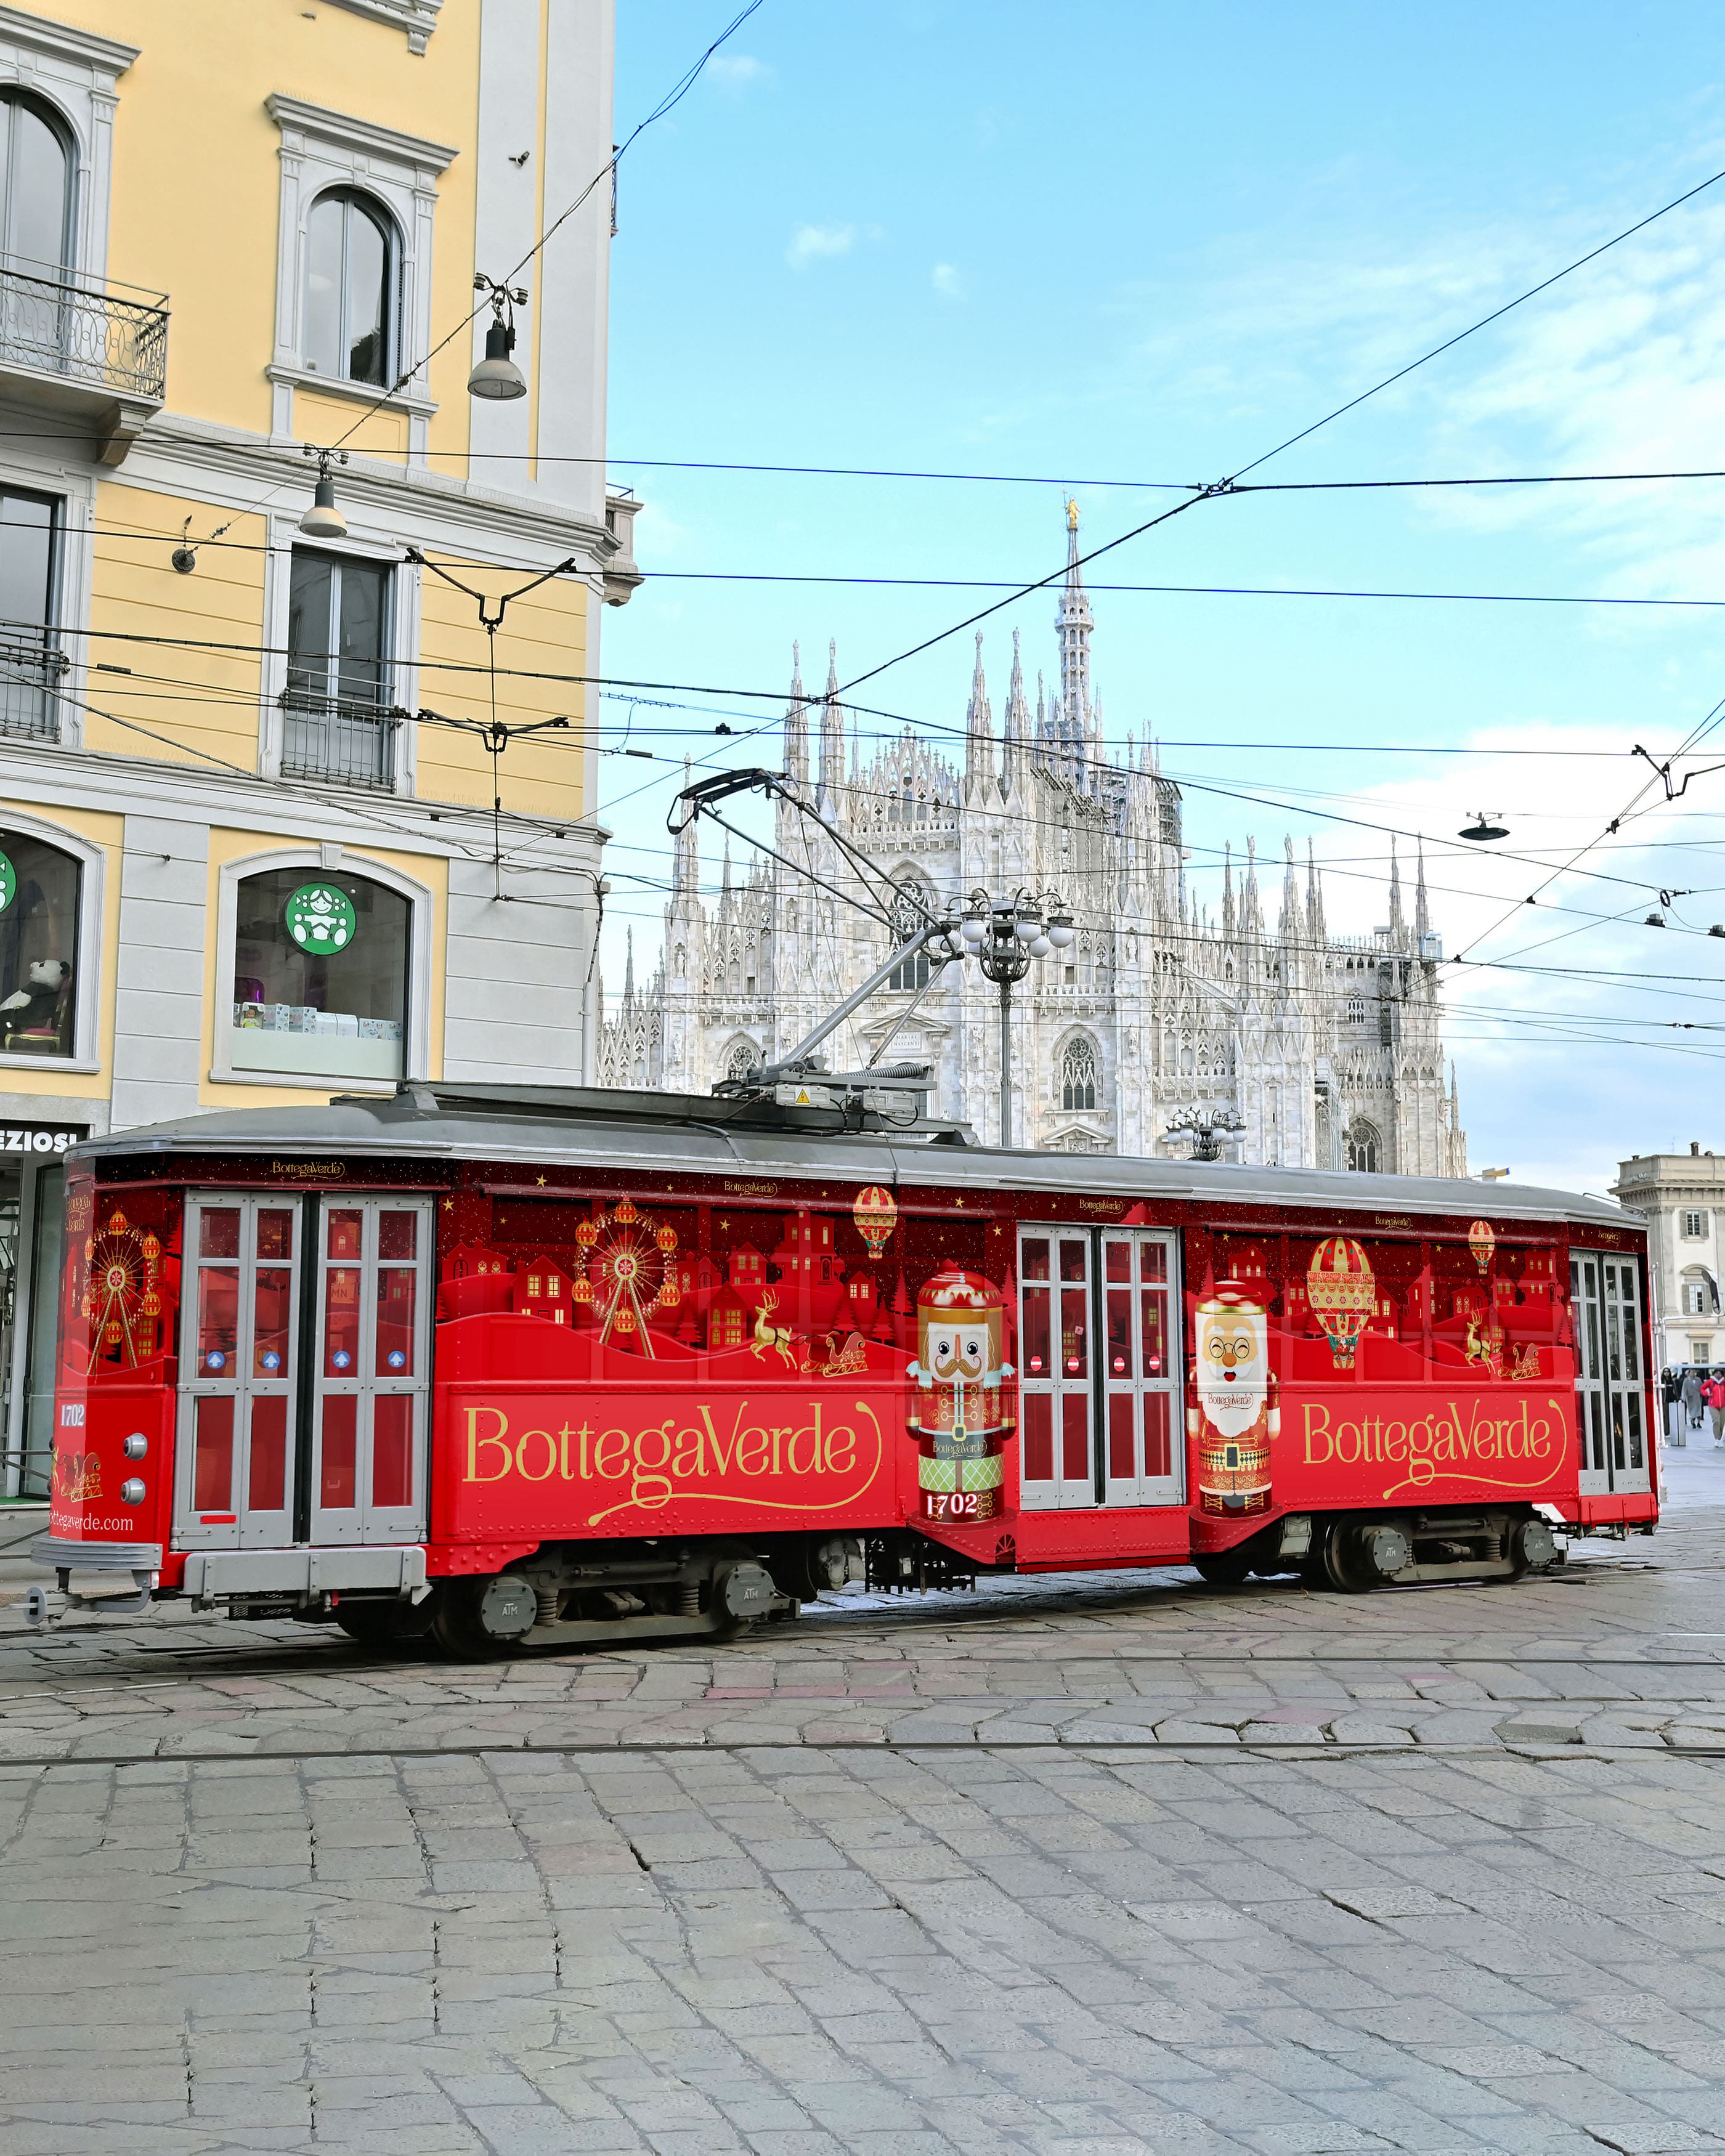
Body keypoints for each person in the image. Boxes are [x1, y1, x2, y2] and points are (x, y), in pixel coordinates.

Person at [1705, 1368, 1725, 1446]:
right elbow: (1702, 1388)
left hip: (1723, 1406)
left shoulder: (1723, 1382)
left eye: (1720, 1373)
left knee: (1722, 1423)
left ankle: (1719, 1439)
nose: (1718, 1375)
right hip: (1713, 1405)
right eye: (1717, 1373)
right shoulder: (1711, 1382)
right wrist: (1707, 1394)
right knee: (1716, 1421)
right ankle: (1716, 1439)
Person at [1682, 1366, 1704, 1430]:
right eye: (1692, 1372)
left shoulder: (1698, 1379)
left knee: (1698, 1410)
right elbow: (1684, 1389)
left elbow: (1702, 1387)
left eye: (1694, 1372)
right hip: (1690, 1397)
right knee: (1692, 1410)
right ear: (1689, 1373)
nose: (1693, 1373)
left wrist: (1702, 1393)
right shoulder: (1686, 1380)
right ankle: (1693, 1422)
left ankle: (1698, 1422)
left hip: (1698, 1396)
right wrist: (1684, 1396)